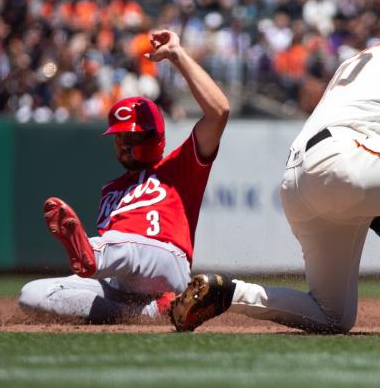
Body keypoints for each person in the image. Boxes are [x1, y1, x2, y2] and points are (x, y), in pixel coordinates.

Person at [170, 0, 380, 333]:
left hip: (299, 179)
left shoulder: (359, 59)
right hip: (342, 159)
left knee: (332, 316)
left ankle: (227, 293)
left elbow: (358, 178)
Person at [18, 29, 229, 322]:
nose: (125, 144)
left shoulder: (181, 166)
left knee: (126, 245)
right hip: (122, 281)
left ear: (155, 136)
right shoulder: (111, 191)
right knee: (32, 294)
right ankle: (152, 313)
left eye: (132, 137)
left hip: (166, 260)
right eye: (119, 138)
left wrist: (177, 56)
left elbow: (219, 111)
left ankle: (90, 252)